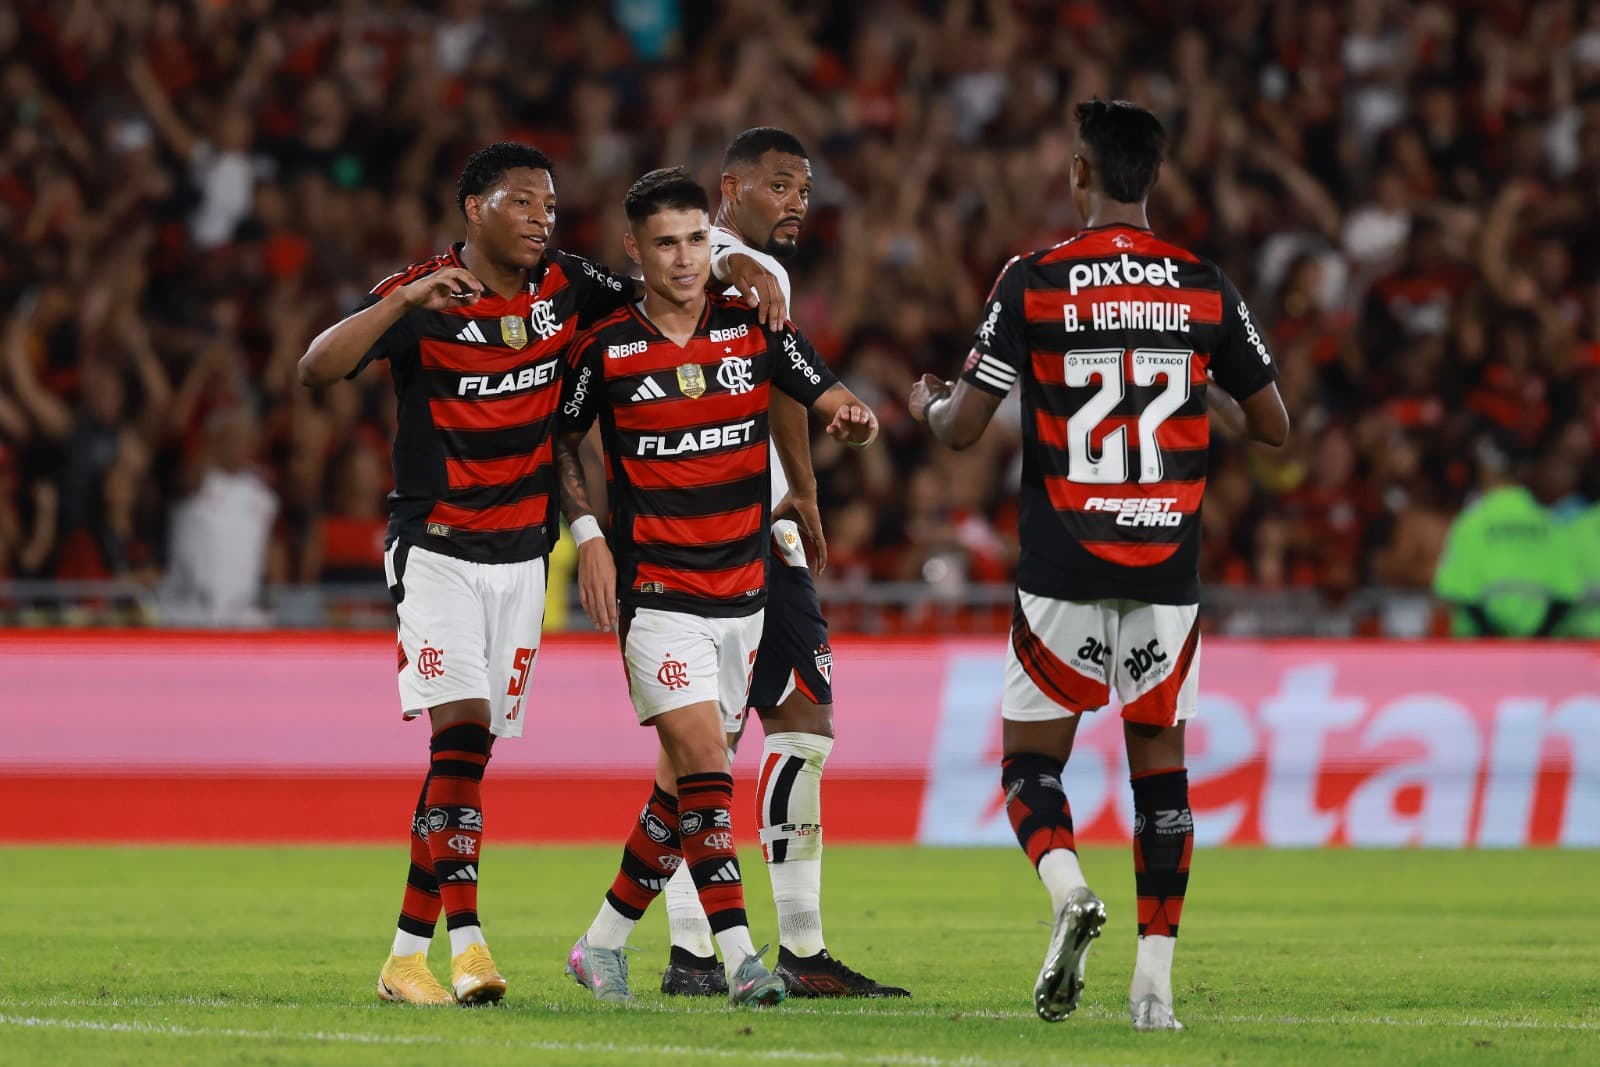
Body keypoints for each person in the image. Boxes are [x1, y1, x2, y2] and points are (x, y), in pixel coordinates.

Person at [909, 100, 1289, 1030]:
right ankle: (1154, 988)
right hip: (1165, 567)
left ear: (1078, 172)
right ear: (1153, 176)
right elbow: (1274, 426)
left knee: (1029, 764)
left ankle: (1070, 889)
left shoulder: (1033, 279)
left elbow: (962, 430)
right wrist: (1197, 381)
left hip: (1063, 565)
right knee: (1161, 773)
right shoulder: (1203, 285)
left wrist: (926, 404)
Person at [296, 142, 640, 1006]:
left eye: (549, 205)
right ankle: (471, 943)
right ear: (473, 209)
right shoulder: (424, 293)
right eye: (522, 201)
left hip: (524, 560)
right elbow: (316, 368)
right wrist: (401, 302)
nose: (541, 219)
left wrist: (742, 273)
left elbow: (658, 300)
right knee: (461, 733)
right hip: (437, 549)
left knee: (465, 757)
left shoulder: (568, 284)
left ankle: (404, 957)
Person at [554, 167, 878, 1008]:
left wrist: (853, 416)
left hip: (745, 598)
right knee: (706, 764)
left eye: (697, 239)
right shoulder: (605, 347)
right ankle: (742, 960)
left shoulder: (753, 326)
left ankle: (600, 943)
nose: (684, 258)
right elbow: (560, 441)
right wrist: (588, 534)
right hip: (658, 600)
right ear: (634, 250)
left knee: (677, 794)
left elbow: (825, 389)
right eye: (665, 243)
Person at [630, 127, 909, 1000]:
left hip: (749, 524)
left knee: (765, 730)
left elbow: (775, 381)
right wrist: (739, 263)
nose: (797, 201)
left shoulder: (753, 274)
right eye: (780, 184)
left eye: (805, 188)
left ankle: (739, 950)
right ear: (731, 188)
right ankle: (725, 950)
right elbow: (713, 271)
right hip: (725, 529)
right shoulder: (721, 259)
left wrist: (804, 489)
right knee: (738, 739)